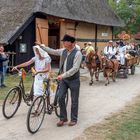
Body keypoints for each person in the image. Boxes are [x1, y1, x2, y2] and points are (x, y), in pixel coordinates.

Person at [39, 34, 82, 127]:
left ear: (71, 43)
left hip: (74, 80)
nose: (63, 43)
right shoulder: (63, 51)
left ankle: (74, 119)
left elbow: (75, 68)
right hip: (64, 80)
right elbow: (53, 51)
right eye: (63, 41)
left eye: (65, 41)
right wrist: (42, 47)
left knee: (74, 100)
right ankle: (63, 118)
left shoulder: (78, 53)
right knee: (60, 97)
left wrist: (63, 75)